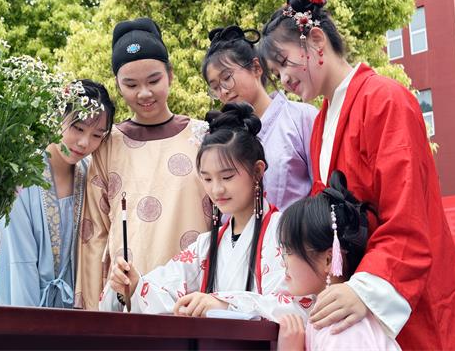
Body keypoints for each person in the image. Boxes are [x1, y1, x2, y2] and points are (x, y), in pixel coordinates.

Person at [259, 0, 455, 350]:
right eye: (275, 71)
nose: (283, 80)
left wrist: (364, 288)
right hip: (357, 298)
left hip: (405, 295)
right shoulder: (321, 123)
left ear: (316, 41)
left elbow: (409, 214)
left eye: (284, 63)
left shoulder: (386, 100)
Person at [100, 102, 312, 320]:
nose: (216, 189)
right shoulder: (206, 245)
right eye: (207, 179)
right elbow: (165, 290)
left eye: (227, 177)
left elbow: (301, 304)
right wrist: (135, 284)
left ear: (257, 171)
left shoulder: (285, 232)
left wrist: (225, 304)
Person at [77, 17, 211, 310]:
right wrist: (90, 312)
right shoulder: (108, 144)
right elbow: (94, 234)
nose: (144, 93)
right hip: (127, 300)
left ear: (170, 75)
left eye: (153, 81)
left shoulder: (203, 136)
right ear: (117, 84)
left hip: (194, 298)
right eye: (131, 84)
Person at [0, 79, 115, 308]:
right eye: (78, 128)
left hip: (74, 310)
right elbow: (19, 262)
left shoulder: (90, 176)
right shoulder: (21, 177)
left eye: (97, 135)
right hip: (23, 305)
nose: (84, 143)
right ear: (57, 116)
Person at [277, 170, 400, 350]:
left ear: (328, 260)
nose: (283, 262)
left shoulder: (341, 327)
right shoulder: (334, 319)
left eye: (289, 251)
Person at [202, 25, 317, 210]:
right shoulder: (224, 137)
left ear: (256, 68)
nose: (223, 91)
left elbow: (322, 186)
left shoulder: (302, 118)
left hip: (299, 226)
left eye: (227, 78)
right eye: (215, 87)